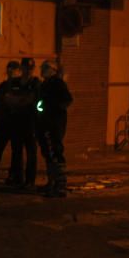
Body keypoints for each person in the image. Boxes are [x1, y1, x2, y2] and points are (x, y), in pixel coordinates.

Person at [35, 61, 73, 197]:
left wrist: (51, 107)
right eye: (42, 67)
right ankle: (51, 182)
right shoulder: (44, 84)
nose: (42, 70)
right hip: (44, 124)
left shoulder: (57, 83)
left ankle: (61, 184)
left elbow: (67, 100)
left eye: (45, 67)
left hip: (54, 125)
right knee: (48, 153)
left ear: (53, 70)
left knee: (56, 152)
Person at [3, 57, 39, 188]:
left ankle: (30, 180)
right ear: (21, 68)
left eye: (31, 68)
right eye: (26, 67)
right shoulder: (15, 82)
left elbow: (30, 99)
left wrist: (17, 100)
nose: (28, 70)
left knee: (31, 151)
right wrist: (20, 100)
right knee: (16, 150)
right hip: (16, 120)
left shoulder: (35, 82)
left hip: (30, 121)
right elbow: (7, 98)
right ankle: (18, 177)